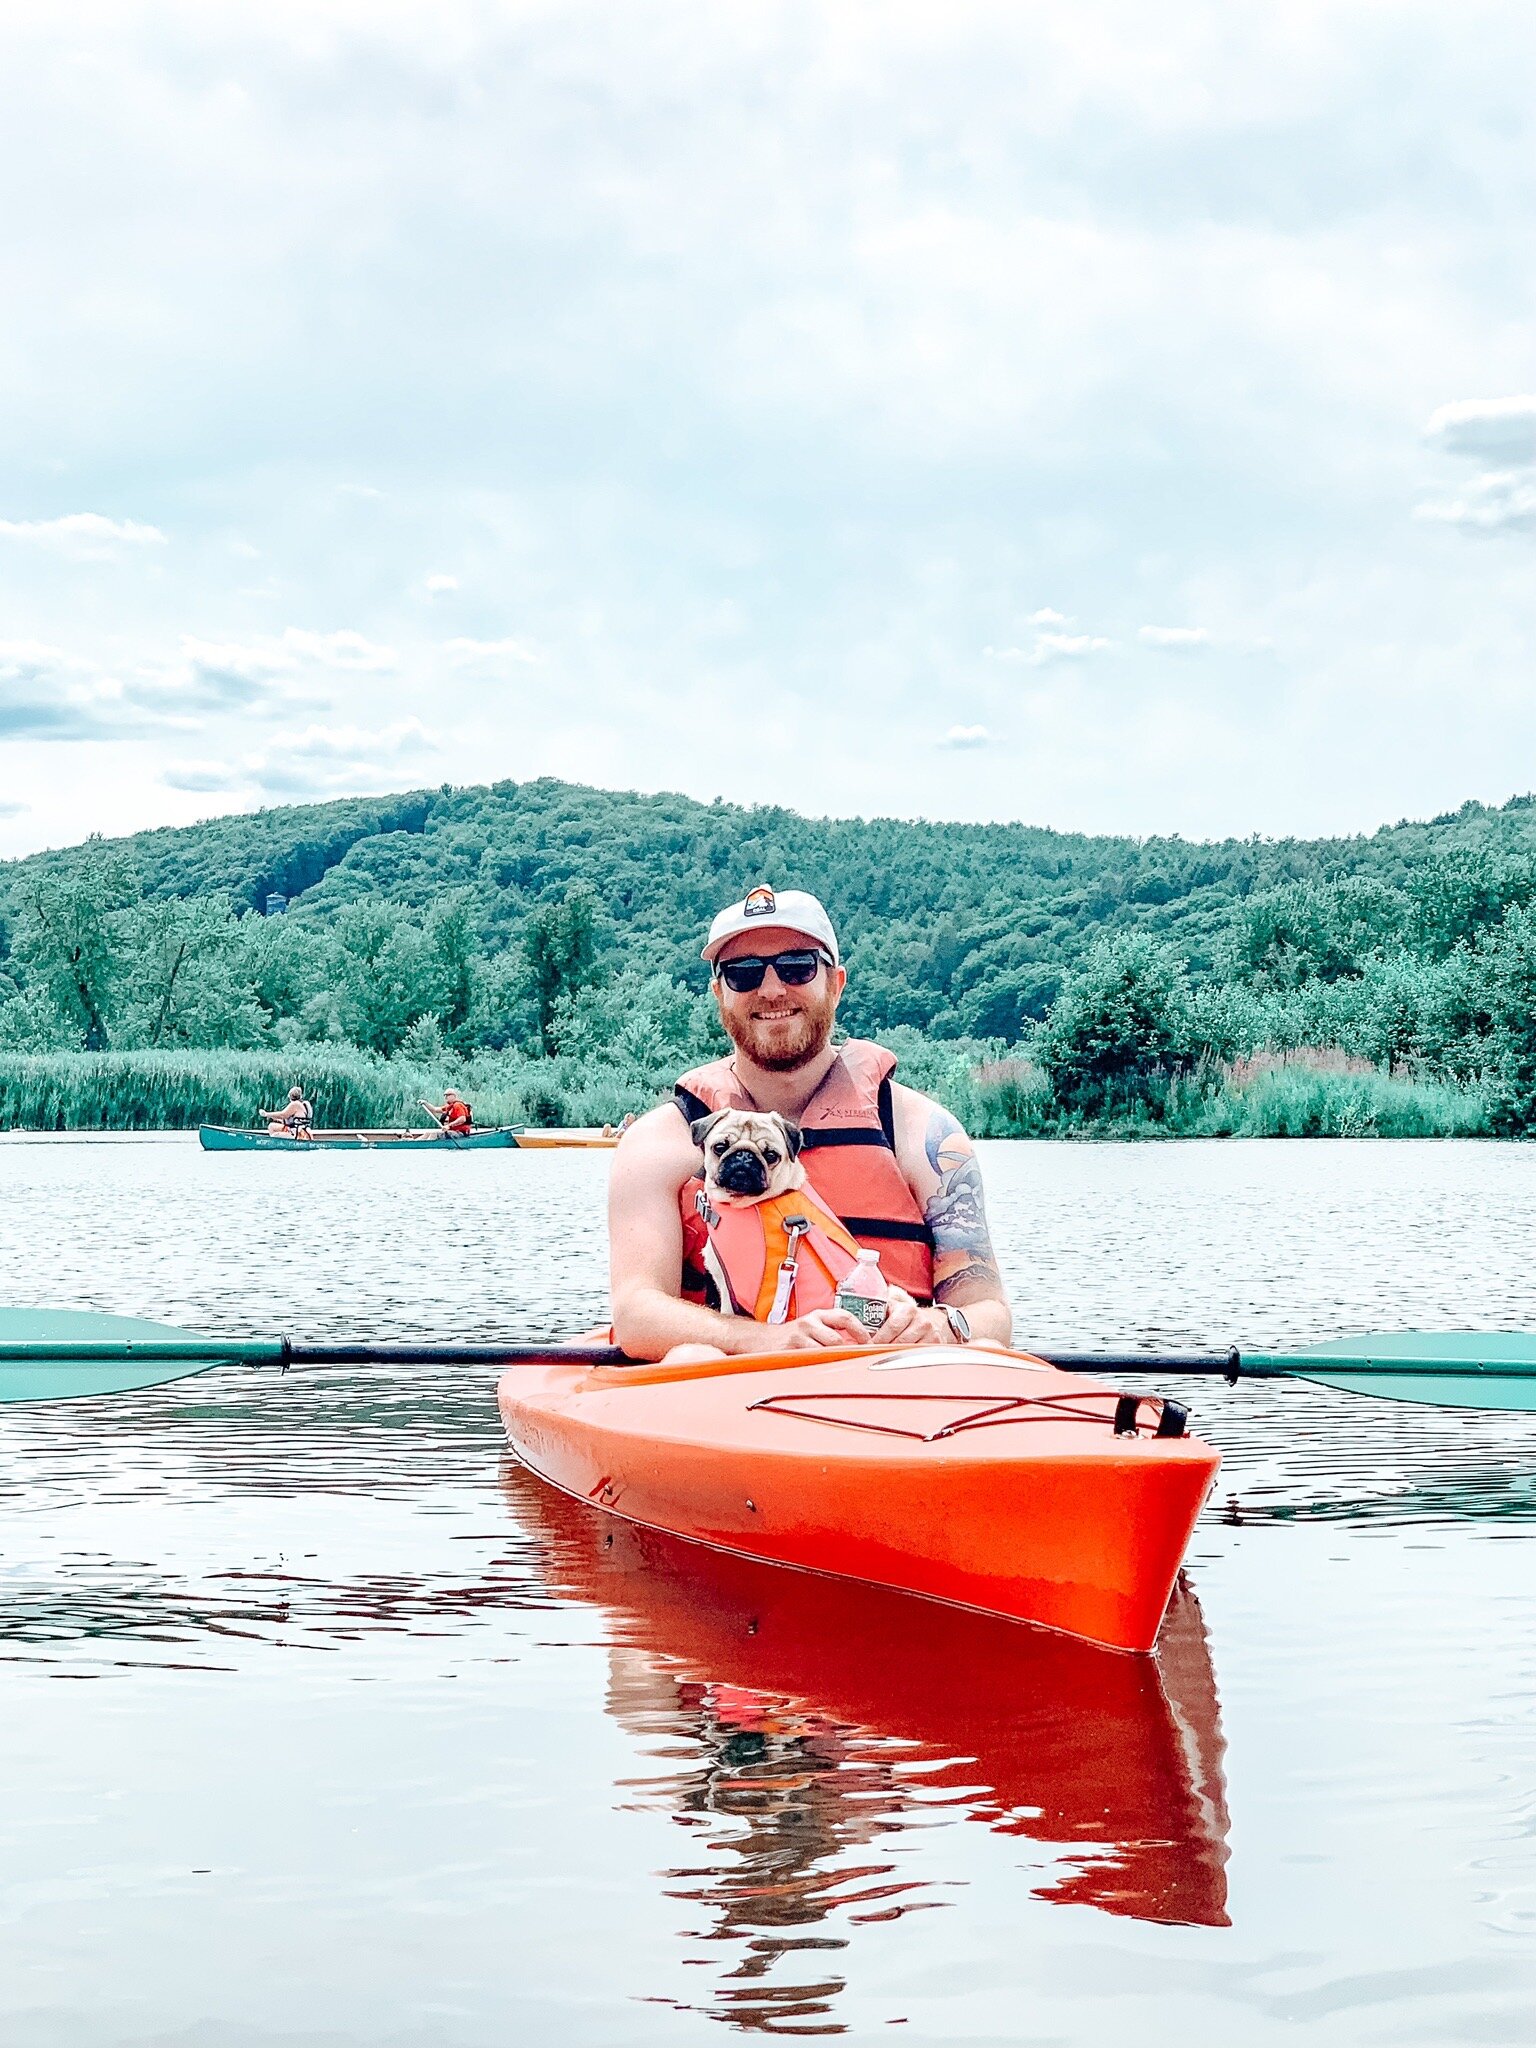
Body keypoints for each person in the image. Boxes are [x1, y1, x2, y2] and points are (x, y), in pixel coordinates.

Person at [610, 886, 1012, 1359]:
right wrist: (768, 1340)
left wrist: (940, 1326)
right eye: (743, 974)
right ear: (719, 993)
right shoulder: (659, 1143)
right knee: (690, 1355)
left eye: (798, 966)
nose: (772, 989)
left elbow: (990, 1313)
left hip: (898, 1377)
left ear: (836, 983)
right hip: (725, 1388)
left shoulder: (921, 1132)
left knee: (980, 1347)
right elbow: (636, 1314)